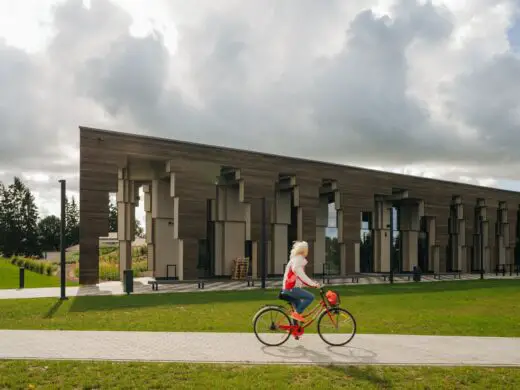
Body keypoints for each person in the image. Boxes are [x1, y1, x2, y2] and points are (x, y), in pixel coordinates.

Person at [281, 240, 320, 322]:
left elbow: (299, 278)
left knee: (298, 309)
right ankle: (296, 314)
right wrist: (313, 284)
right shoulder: (298, 260)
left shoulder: (296, 259)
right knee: (311, 297)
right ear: (304, 250)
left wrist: (312, 283)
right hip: (291, 289)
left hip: (288, 288)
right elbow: (301, 276)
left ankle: (295, 331)